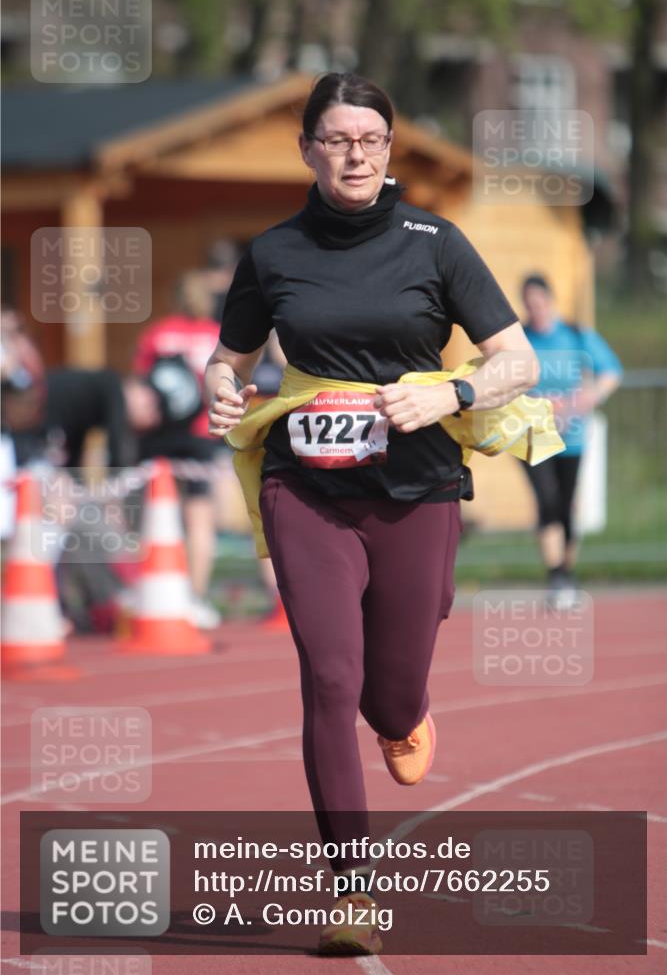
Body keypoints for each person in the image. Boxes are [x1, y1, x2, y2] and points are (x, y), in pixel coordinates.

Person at [204, 73, 540, 956]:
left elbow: (518, 361)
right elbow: (228, 361)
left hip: (417, 484)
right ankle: (352, 892)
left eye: (372, 139)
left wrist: (451, 394)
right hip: (304, 485)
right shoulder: (273, 252)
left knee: (388, 694)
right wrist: (221, 396)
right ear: (307, 147)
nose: (356, 153)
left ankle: (405, 713)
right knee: (326, 678)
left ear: (388, 149)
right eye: (338, 138)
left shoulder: (435, 241)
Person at [520, 274, 622, 609]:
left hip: (572, 437)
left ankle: (566, 571)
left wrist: (587, 398)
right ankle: (555, 576)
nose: (536, 308)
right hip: (532, 437)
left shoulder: (576, 336)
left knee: (566, 504)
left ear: (550, 300)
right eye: (530, 303)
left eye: (540, 301)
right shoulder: (519, 339)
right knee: (546, 500)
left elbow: (610, 371)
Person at [133, 270, 223, 629]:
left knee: (153, 515)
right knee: (200, 519)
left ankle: (150, 593)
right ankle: (196, 599)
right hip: (200, 433)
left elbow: (141, 387)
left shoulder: (158, 334)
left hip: (159, 435)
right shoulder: (217, 335)